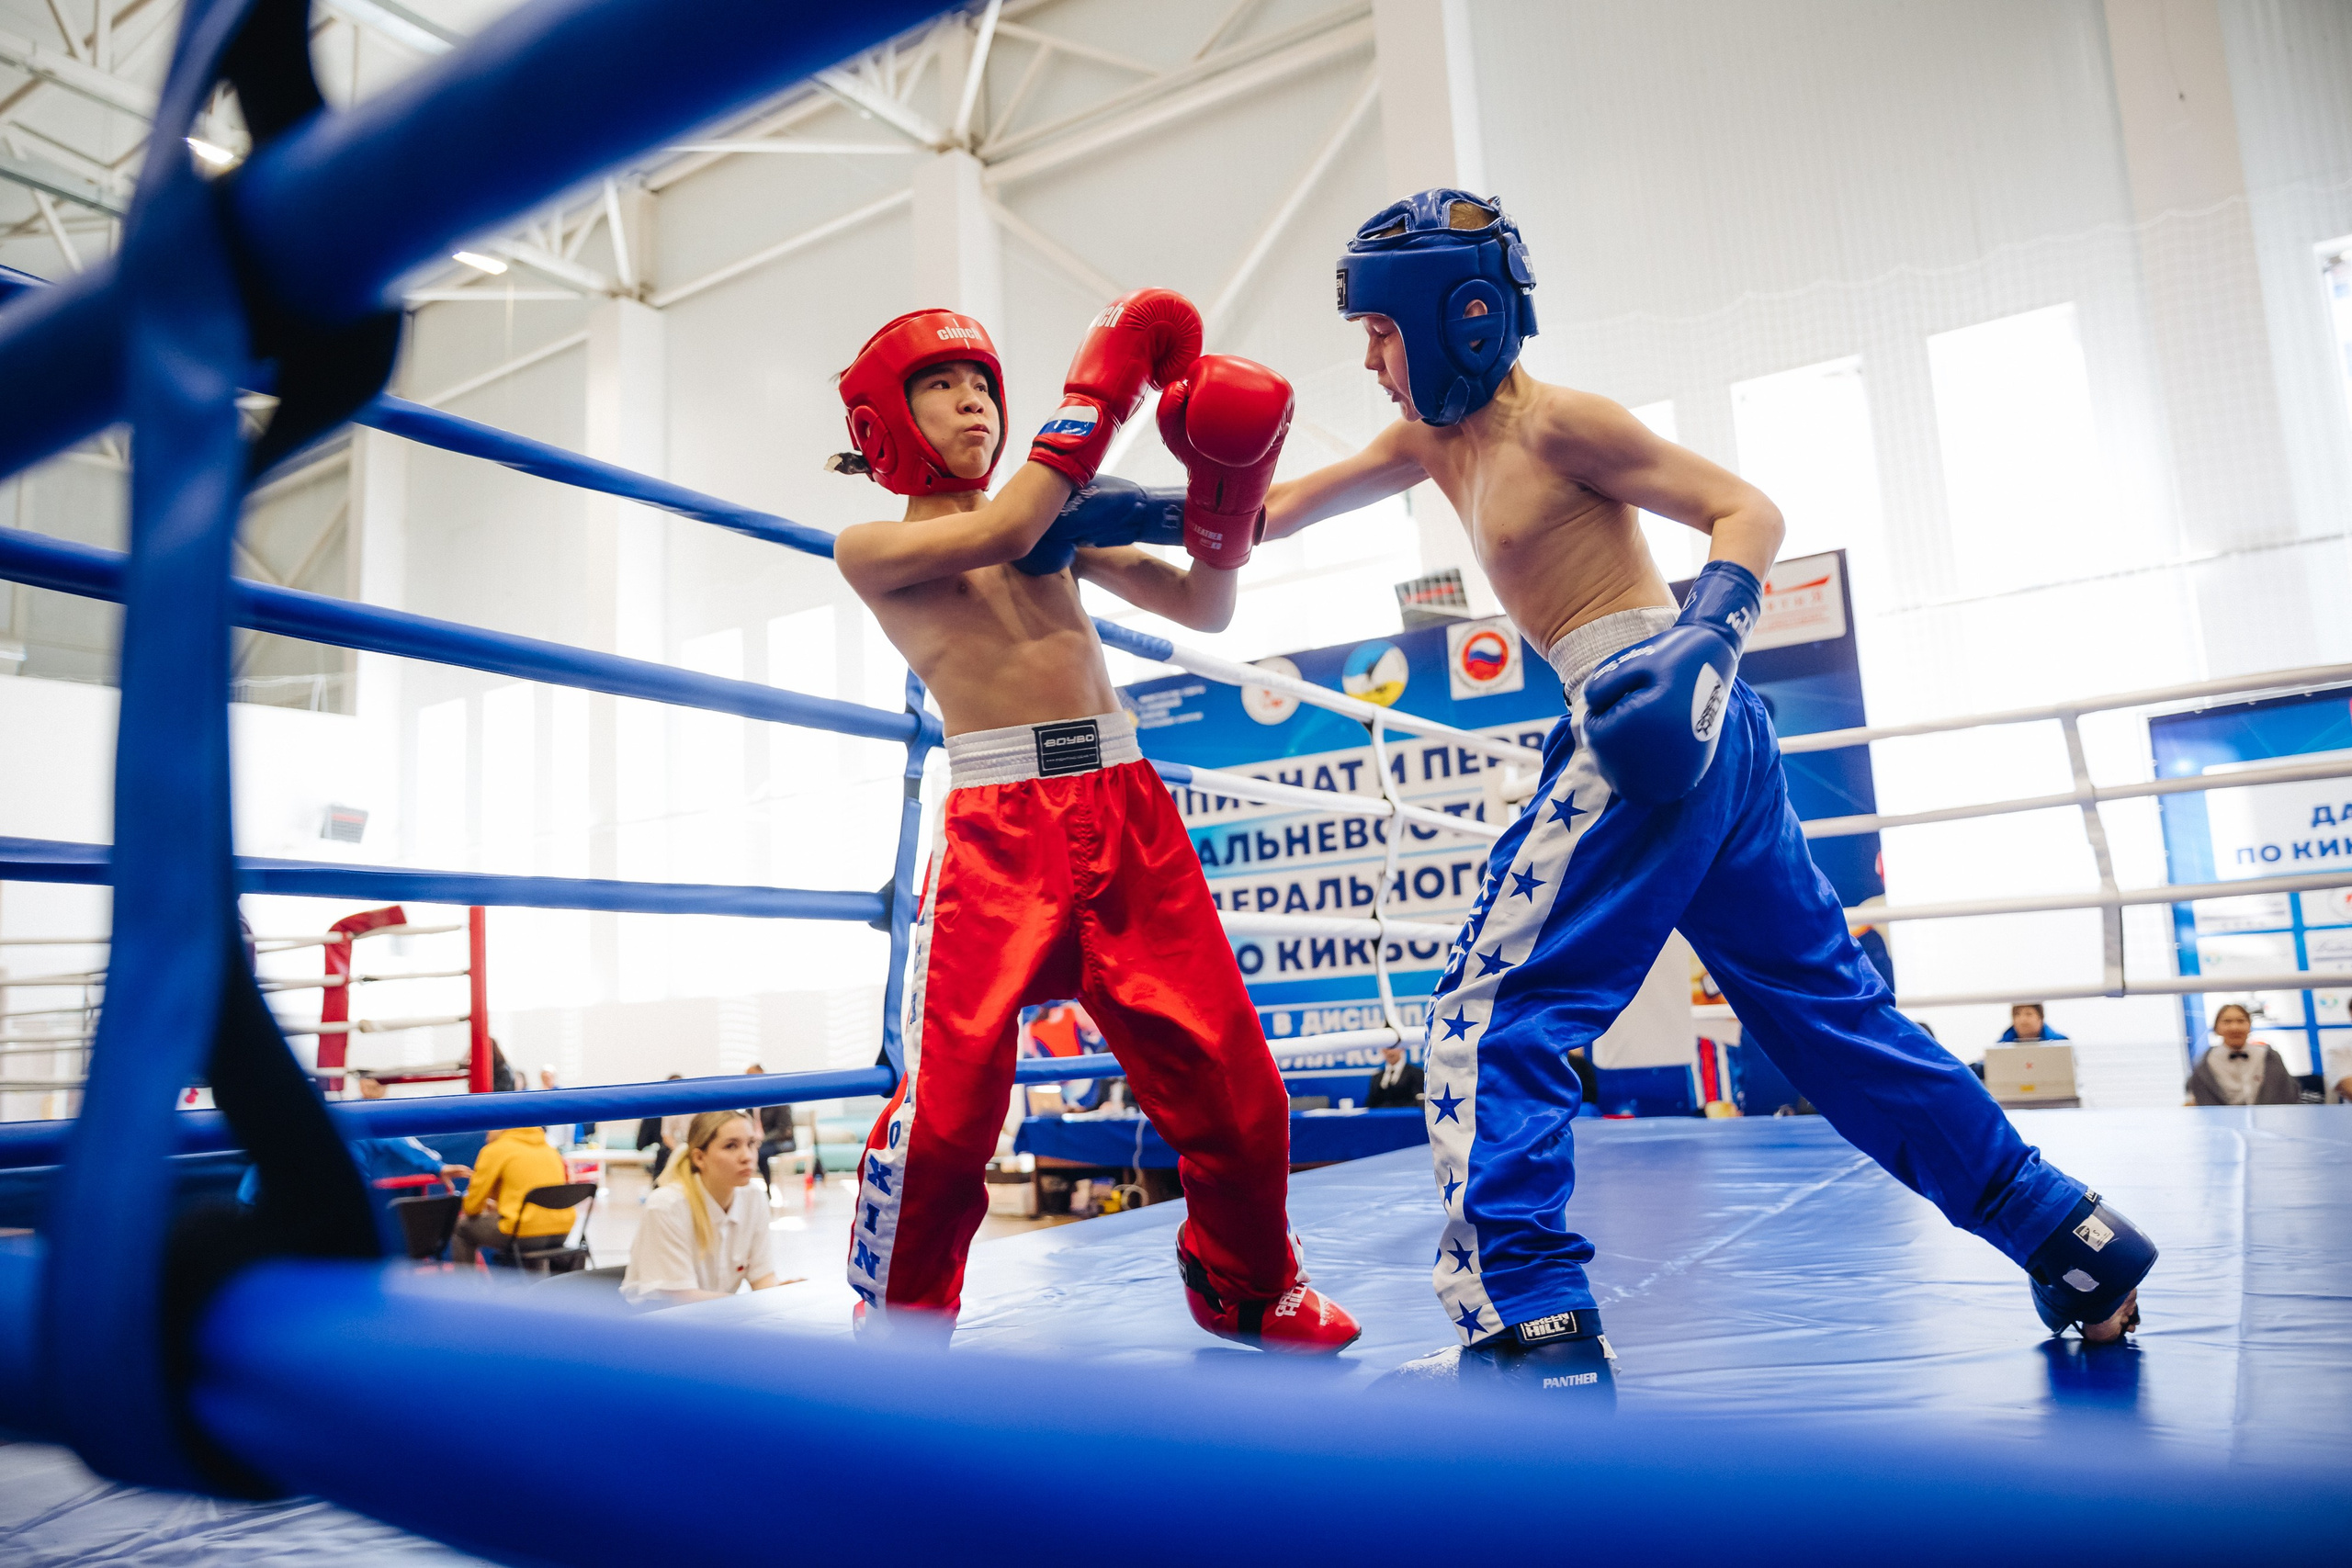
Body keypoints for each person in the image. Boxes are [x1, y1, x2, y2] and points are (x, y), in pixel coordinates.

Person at [1257, 188, 2154, 1396]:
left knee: (1491, 1011)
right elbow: (1258, 516)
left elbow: (1749, 508)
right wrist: (1088, 510)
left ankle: (1528, 1310)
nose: (1366, 356)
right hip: (1703, 737)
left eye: (1379, 328)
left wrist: (1707, 635)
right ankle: (2072, 1238)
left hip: (1654, 709)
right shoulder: (1427, 442)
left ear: (1457, 316)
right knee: (1832, 1018)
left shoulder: (1561, 420)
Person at [826, 297, 1359, 1351]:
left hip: (1126, 811)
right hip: (998, 833)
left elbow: (1206, 610)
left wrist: (1218, 504)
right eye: (940, 385)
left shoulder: (1053, 527)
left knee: (1236, 1085)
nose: (972, 399)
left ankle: (1248, 1286)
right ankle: (900, 1323)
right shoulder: (875, 546)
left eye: (980, 381)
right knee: (947, 1119)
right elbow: (1003, 528)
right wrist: (1099, 394)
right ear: (886, 422)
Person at [619, 1111, 797, 1306]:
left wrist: (781, 1295)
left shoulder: (754, 1197)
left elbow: (762, 1277)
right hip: (655, 1325)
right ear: (699, 1158)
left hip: (714, 1321)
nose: (747, 1156)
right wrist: (752, 1305)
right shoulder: (666, 1206)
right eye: (731, 1146)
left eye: (751, 1144)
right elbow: (680, 1298)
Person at [236, 1075, 472, 1220]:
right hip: (338, 1218)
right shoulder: (355, 1120)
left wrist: (438, 1166)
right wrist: (438, 1167)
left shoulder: (357, 1119)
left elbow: (247, 1196)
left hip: (329, 1219)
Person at [451, 1123, 571, 1265]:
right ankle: (537, 1284)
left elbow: (471, 1208)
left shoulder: (495, 1150)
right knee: (533, 1228)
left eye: (488, 1129)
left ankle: (465, 1287)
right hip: (562, 1232)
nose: (486, 1136)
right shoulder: (550, 1150)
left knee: (461, 1228)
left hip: (524, 1234)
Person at [2186, 1003, 2299, 1106]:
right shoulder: (2204, 1064)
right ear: (2216, 1028)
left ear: (2249, 1026)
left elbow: (2287, 1094)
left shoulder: (2270, 1057)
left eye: (2241, 1021)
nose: (2235, 1027)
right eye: (2227, 1022)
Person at [743, 1064, 797, 1190]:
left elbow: (784, 1130)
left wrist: (762, 1140)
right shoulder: (749, 1101)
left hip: (782, 1142)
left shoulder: (778, 1098)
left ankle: (768, 1190)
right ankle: (747, 1189)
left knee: (759, 1153)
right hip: (760, 1142)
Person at [637, 1072, 684, 1183]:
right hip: (669, 1150)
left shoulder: (692, 1107)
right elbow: (665, 1135)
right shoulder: (661, 1109)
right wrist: (679, 1150)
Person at [1364, 1042, 1424, 1109]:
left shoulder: (1416, 1073)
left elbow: (1419, 1100)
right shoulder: (1377, 1077)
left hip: (1406, 1116)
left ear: (1402, 1048)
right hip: (1381, 1117)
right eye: (1386, 1048)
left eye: (1393, 1048)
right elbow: (1370, 1103)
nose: (1390, 1052)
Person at [1999, 1004, 2068, 1043]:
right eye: (2017, 1014)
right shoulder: (2000, 1047)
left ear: (2040, 1019)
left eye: (2028, 1014)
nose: (2023, 1019)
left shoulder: (2061, 1043)